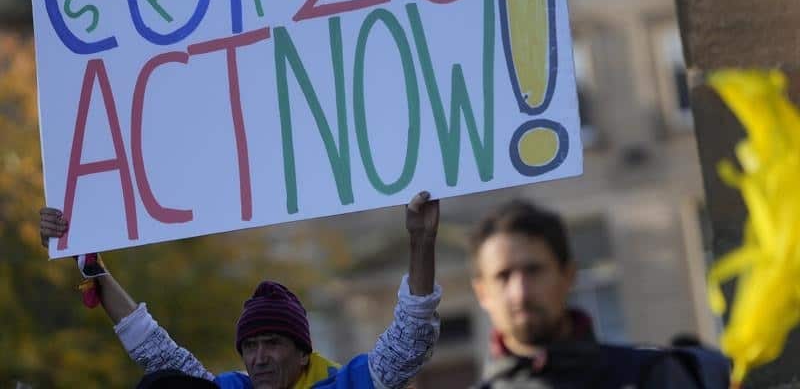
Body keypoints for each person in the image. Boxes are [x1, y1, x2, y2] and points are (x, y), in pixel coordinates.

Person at [40, 191, 441, 389]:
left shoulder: (346, 384)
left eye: (271, 343)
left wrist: (421, 242)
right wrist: (86, 261)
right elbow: (151, 347)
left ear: (304, 352)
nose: (259, 358)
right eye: (250, 347)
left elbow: (409, 345)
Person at [468, 199, 729, 389]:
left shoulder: (651, 374)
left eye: (533, 270)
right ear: (482, 293)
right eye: (503, 276)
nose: (520, 292)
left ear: (568, 275)